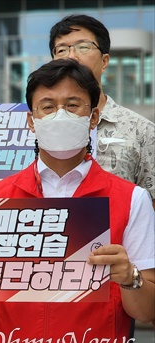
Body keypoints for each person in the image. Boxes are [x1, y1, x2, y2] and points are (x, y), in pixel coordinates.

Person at [0, 59, 154, 343]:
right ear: (31, 120)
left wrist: (130, 277)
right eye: (47, 106)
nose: (61, 115)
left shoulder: (132, 199)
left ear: (93, 117)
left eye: (73, 105)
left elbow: (147, 310)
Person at [49, 14, 155, 206]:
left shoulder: (142, 130)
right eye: (62, 49)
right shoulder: (31, 126)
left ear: (105, 61)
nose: (72, 56)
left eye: (83, 47)